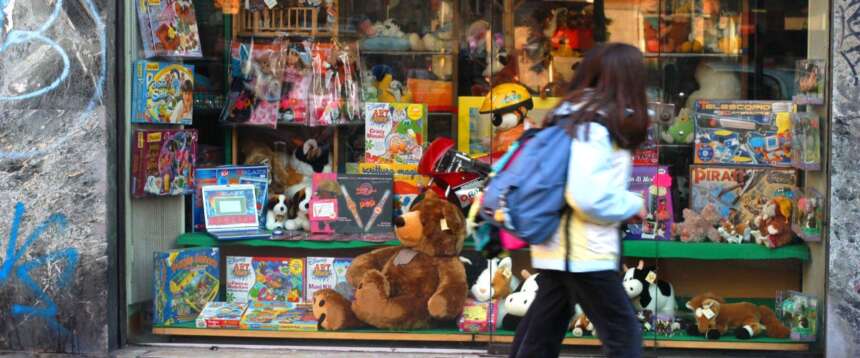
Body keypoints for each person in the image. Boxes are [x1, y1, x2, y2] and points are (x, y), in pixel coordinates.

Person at [509, 43, 650, 358]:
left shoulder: (568, 115)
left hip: (556, 247)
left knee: (539, 336)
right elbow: (586, 196)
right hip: (585, 252)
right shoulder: (596, 125)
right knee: (624, 336)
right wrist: (630, 204)